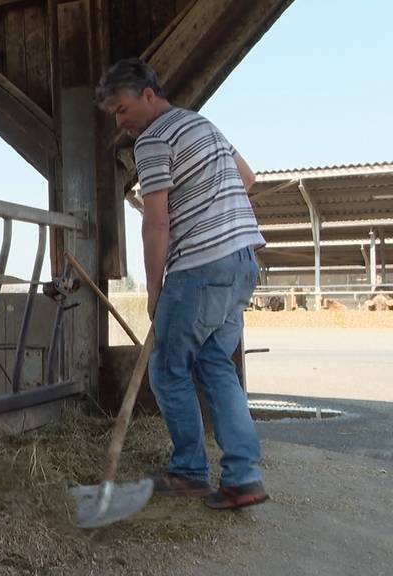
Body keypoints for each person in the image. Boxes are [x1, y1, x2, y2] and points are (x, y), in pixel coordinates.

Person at [95, 58, 269, 509]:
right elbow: (247, 179)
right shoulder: (203, 125)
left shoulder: (153, 139)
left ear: (148, 95)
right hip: (243, 262)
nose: (120, 121)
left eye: (121, 108)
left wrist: (155, 290)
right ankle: (243, 477)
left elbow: (155, 222)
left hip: (200, 268)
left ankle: (190, 471)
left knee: (168, 369)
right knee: (215, 365)